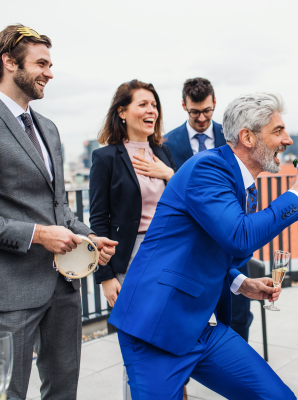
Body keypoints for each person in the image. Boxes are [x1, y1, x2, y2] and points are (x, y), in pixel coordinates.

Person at [109, 92, 298, 400]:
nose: (287, 139)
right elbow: (240, 236)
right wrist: (296, 194)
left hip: (203, 327)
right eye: (277, 131)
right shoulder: (207, 169)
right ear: (247, 137)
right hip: (156, 325)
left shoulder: (242, 184)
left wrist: (240, 282)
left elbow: (221, 247)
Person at [0, 24, 117, 399]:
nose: (50, 72)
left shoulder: (47, 127)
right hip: (7, 291)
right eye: (41, 63)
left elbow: (58, 206)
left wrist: (87, 236)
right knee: (7, 394)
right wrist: (38, 234)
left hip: (63, 286)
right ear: (9, 62)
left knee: (63, 391)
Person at [89, 79, 176, 400]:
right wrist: (106, 276)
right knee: (139, 345)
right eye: (143, 104)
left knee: (170, 338)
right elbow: (98, 220)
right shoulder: (106, 158)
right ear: (122, 112)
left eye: (153, 104)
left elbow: (186, 200)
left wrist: (168, 174)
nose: (151, 110)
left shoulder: (163, 153)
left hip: (170, 255)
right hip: (131, 258)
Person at [164, 77, 253, 343]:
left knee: (238, 313)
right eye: (194, 112)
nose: (201, 118)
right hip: (190, 245)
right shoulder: (167, 143)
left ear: (215, 103)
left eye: (207, 111)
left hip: (230, 239)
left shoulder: (232, 137)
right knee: (185, 315)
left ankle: (238, 374)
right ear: (183, 105)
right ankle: (184, 378)